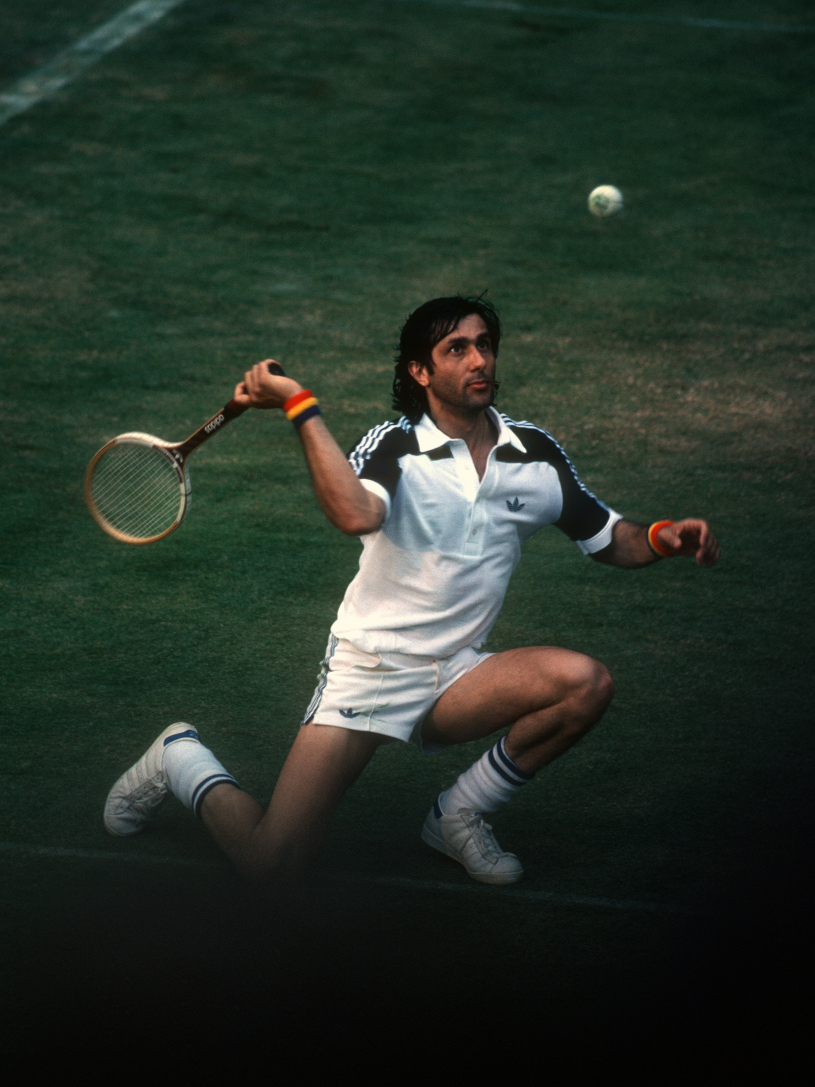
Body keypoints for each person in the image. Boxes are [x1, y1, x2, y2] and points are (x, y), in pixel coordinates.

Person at [104, 295, 719, 886]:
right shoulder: (392, 447)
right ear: (420, 371)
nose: (479, 360)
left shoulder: (535, 455)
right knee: (271, 865)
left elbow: (611, 537)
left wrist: (664, 537)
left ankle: (459, 815)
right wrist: (298, 401)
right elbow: (354, 514)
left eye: (484, 345)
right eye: (456, 349)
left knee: (585, 684)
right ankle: (181, 758)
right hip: (370, 671)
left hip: (456, 675)